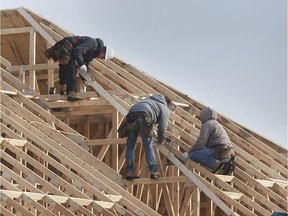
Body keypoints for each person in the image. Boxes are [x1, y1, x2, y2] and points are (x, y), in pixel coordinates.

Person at [45, 36, 114, 101]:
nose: (101, 59)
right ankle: (71, 94)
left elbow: (85, 64)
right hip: (66, 46)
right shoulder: (92, 43)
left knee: (65, 64)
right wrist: (81, 63)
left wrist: (85, 79)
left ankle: (63, 89)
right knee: (71, 67)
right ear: (103, 50)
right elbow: (77, 50)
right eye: (103, 57)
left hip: (68, 51)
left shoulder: (93, 54)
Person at [124, 94, 171, 180]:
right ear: (167, 103)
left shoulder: (148, 100)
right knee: (148, 145)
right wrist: (160, 140)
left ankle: (129, 172)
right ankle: (154, 171)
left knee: (130, 145)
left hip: (131, 115)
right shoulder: (164, 106)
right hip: (145, 115)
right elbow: (163, 127)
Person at [181, 107, 235, 175]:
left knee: (194, 155)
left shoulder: (208, 124)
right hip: (229, 155)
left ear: (203, 116)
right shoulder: (218, 124)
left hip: (219, 151)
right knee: (205, 152)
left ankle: (216, 164)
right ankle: (225, 167)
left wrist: (188, 153)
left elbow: (201, 142)